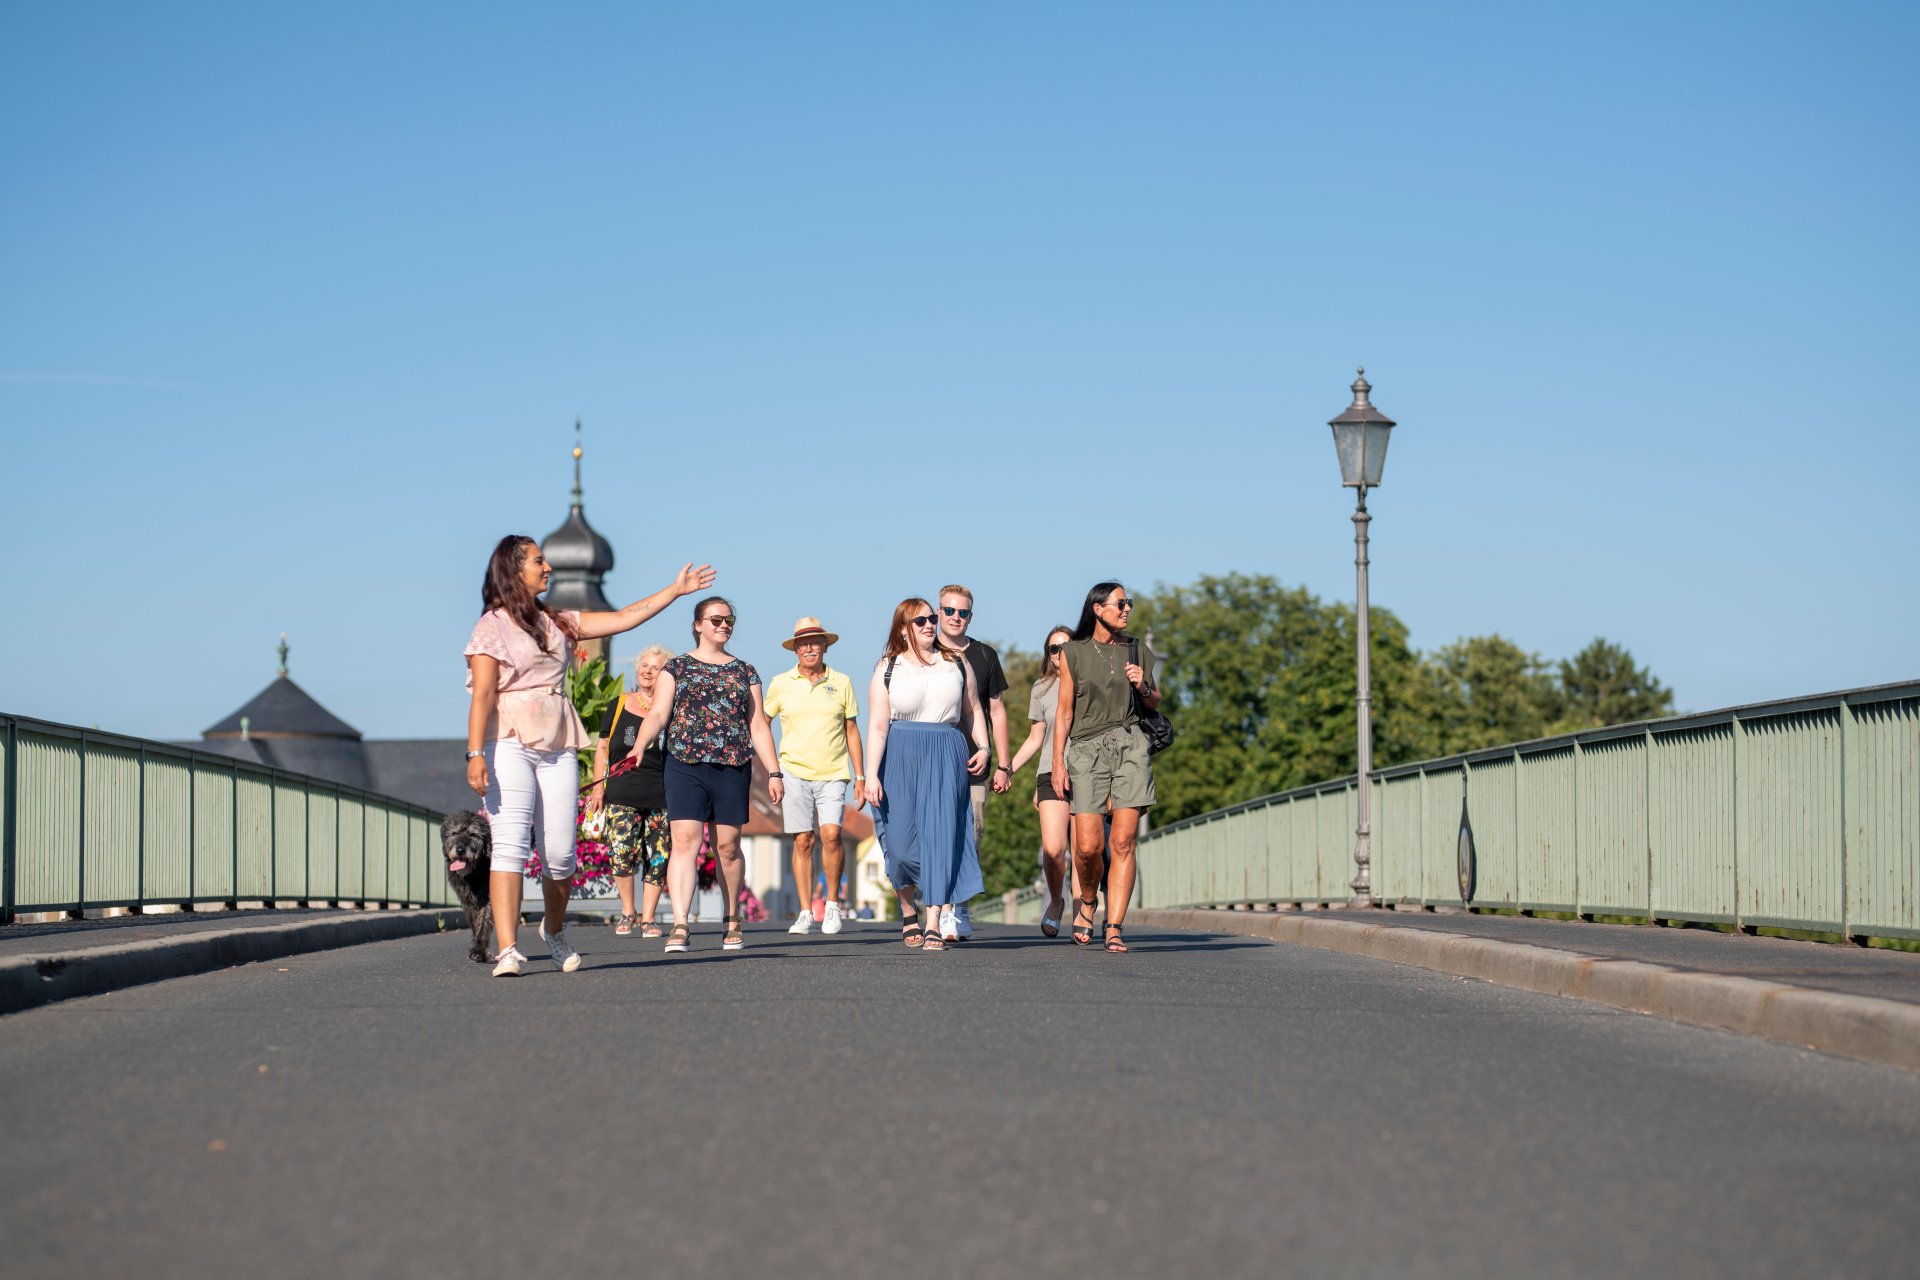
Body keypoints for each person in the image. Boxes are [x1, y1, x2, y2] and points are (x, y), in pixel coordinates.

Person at [465, 537, 714, 976]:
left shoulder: (558, 621)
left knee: (561, 854)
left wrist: (674, 591)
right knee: (509, 847)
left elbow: (622, 619)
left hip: (557, 740)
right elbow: (483, 692)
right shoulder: (492, 625)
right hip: (506, 740)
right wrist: (473, 753)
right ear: (513, 569)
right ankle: (507, 950)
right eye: (539, 561)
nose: (548, 567)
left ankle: (554, 931)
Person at [625, 596, 782, 955]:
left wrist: (774, 771)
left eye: (729, 620)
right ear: (698, 625)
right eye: (715, 620)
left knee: (727, 847)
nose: (724, 625)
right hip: (684, 763)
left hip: (731, 765)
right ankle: (680, 922)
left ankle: (732, 917)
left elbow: (757, 724)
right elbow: (659, 713)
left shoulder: (745, 671)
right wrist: (640, 745)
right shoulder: (676, 668)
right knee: (684, 841)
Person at [865, 598, 988, 951]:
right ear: (904, 628)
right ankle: (908, 908)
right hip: (899, 754)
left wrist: (983, 747)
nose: (930, 625)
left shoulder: (956, 663)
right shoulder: (887, 667)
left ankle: (933, 918)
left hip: (946, 750)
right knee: (900, 847)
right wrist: (870, 774)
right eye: (920, 621)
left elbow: (973, 709)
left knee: (940, 836)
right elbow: (876, 726)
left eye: (932, 618)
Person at [1051, 581, 1160, 955]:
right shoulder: (1073, 652)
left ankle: (1114, 926)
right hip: (1085, 749)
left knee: (1123, 843)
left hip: (1130, 744)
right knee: (1086, 847)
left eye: (1129, 603)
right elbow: (1064, 712)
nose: (1127, 609)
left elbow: (1155, 699)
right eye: (1120, 603)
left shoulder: (1137, 649)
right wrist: (1057, 764)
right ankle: (1086, 902)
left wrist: (1143, 685)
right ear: (1098, 609)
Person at [764, 617, 865, 937]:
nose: (809, 647)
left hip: (834, 772)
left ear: (825, 646)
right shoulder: (780, 683)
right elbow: (761, 725)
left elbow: (852, 730)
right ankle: (806, 911)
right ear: (795, 650)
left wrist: (860, 776)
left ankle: (832, 905)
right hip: (793, 771)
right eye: (802, 643)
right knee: (803, 840)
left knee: (832, 835)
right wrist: (772, 771)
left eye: (815, 642)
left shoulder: (842, 682)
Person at [935, 584, 1011, 940]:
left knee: (973, 833)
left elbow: (996, 709)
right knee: (938, 833)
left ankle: (959, 905)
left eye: (962, 612)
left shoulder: (984, 655)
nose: (954, 617)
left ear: (970, 616)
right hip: (933, 760)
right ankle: (942, 908)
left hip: (974, 762)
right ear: (938, 613)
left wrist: (1003, 763)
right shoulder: (924, 651)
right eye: (948, 610)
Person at [588, 645, 674, 938]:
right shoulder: (618, 704)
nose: (649, 671)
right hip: (622, 792)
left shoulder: (671, 709)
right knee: (621, 853)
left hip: (662, 795)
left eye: (656, 667)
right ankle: (628, 911)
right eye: (645, 665)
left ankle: (648, 917)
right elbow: (601, 748)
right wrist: (598, 787)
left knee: (658, 858)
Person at [1007, 625, 1075, 936]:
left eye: (1066, 647)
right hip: (1049, 772)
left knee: (1086, 851)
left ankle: (1086, 907)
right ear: (1047, 655)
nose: (1060, 653)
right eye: (1053, 648)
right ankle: (1057, 901)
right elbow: (1036, 738)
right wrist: (1007, 769)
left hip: (1088, 773)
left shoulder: (1090, 684)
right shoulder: (1042, 688)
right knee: (1053, 849)